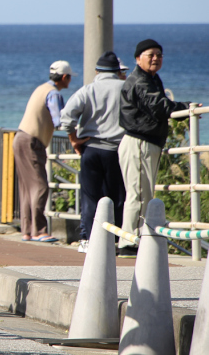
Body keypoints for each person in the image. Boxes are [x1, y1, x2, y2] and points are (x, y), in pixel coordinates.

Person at [116, 39, 194, 258]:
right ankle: (129, 242)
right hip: (138, 142)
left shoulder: (150, 78)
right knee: (139, 194)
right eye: (150, 54)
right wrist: (187, 107)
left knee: (143, 193)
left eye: (159, 55)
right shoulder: (140, 81)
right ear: (137, 58)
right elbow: (159, 107)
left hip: (144, 143)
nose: (155, 58)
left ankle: (136, 239)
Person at [60, 51, 126, 254]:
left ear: (97, 71)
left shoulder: (87, 90)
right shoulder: (126, 88)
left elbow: (67, 116)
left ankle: (88, 240)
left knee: (90, 197)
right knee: (116, 196)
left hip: (91, 149)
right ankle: (113, 240)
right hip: (117, 150)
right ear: (117, 70)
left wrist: (74, 140)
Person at [13, 60, 74, 243]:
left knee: (27, 188)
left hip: (21, 137)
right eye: (69, 78)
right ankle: (39, 231)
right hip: (32, 141)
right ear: (64, 77)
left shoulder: (41, 88)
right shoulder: (53, 94)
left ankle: (27, 231)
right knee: (40, 186)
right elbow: (59, 121)